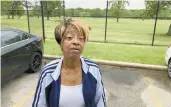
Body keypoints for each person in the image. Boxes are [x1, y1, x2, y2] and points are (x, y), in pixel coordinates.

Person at [32, 18, 106, 107]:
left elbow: (100, 102)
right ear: (61, 43)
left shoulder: (93, 69)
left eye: (81, 38)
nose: (76, 42)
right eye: (69, 37)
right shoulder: (48, 72)